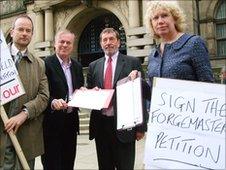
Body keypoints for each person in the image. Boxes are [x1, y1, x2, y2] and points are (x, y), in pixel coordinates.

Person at [87, 27, 149, 170]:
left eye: (111, 39)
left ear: (119, 42)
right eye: (105, 40)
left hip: (125, 127)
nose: (108, 42)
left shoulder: (132, 63)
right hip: (101, 127)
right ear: (101, 44)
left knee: (125, 166)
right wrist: (90, 92)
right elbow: (90, 92)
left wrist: (141, 127)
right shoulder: (93, 66)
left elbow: (141, 96)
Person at [0, 15, 49, 169]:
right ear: (12, 32)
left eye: (28, 30)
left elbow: (43, 96)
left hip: (26, 137)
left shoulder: (39, 64)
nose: (24, 33)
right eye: (20, 29)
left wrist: (24, 114)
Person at [42, 29, 84, 170]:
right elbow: (41, 93)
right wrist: (53, 102)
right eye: (62, 42)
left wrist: (84, 92)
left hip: (71, 123)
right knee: (52, 165)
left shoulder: (77, 66)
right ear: (55, 44)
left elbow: (78, 89)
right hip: (51, 125)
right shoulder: (46, 64)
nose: (65, 45)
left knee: (68, 163)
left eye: (68, 43)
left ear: (72, 46)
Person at [145, 1, 214, 86]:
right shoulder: (153, 54)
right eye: (155, 18)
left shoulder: (193, 43)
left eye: (164, 15)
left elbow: (208, 84)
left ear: (174, 18)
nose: (160, 21)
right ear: (151, 24)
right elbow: (151, 89)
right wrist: (136, 80)